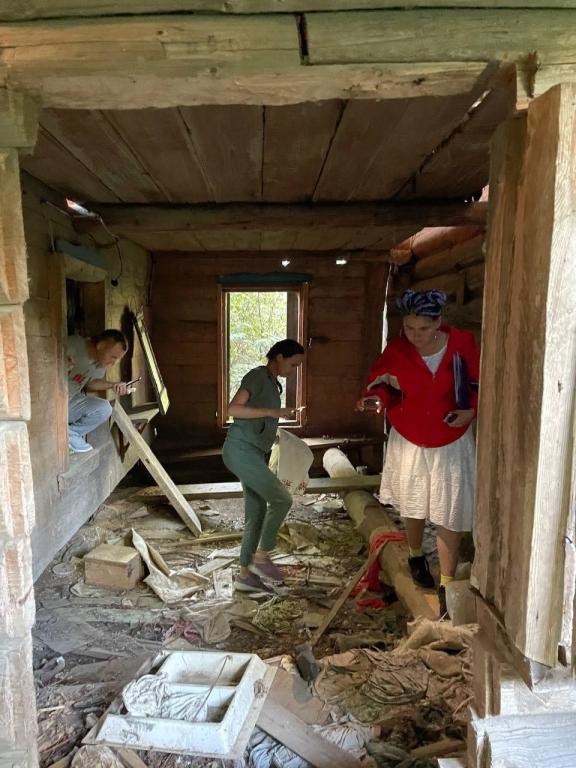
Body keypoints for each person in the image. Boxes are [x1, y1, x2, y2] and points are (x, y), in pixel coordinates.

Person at [357, 289, 480, 618]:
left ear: (439, 322)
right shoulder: (398, 349)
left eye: (423, 328)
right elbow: (382, 384)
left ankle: (446, 585)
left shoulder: (462, 343)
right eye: (409, 328)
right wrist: (376, 400)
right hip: (410, 436)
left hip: (450, 439)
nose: (415, 335)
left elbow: (477, 383)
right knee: (414, 501)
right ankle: (415, 555)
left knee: (449, 511)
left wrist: (471, 411)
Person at [222, 339, 305, 593]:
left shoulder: (272, 382)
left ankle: (245, 576)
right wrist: (271, 412)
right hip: (240, 450)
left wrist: (276, 424)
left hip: (254, 453)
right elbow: (233, 409)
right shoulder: (257, 376)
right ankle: (262, 556)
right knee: (282, 499)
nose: (294, 370)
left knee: (256, 512)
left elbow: (262, 417)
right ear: (279, 357)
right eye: (293, 364)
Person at [67, 329, 132, 454]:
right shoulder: (73, 346)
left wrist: (113, 385)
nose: (114, 362)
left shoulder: (100, 363)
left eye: (119, 359)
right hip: (50, 402)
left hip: (70, 401)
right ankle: (66, 435)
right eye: (113, 357)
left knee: (104, 408)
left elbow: (91, 383)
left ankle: (70, 434)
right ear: (100, 345)